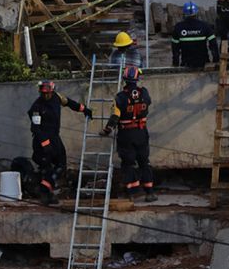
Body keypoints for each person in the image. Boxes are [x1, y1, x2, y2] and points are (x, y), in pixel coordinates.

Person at [28, 80, 93, 205]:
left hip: (54, 138)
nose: (46, 96)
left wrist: (84, 109)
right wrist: (44, 143)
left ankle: (45, 189)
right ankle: (45, 193)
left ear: (52, 91)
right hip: (42, 140)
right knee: (46, 167)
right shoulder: (36, 107)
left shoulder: (57, 97)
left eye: (48, 93)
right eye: (44, 94)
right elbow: (36, 128)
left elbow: (69, 103)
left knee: (61, 165)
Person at [100, 66, 155, 202]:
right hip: (141, 132)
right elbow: (148, 103)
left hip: (126, 134)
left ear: (125, 79)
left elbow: (115, 116)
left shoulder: (120, 97)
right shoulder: (144, 93)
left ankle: (131, 192)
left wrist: (107, 130)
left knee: (128, 163)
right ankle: (150, 192)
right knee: (144, 161)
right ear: (137, 79)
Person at [172, 1, 219, 68]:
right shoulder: (205, 26)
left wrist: (175, 64)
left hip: (186, 64)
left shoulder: (178, 27)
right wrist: (216, 60)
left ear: (184, 14)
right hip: (203, 63)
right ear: (196, 13)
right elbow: (213, 44)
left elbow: (175, 49)